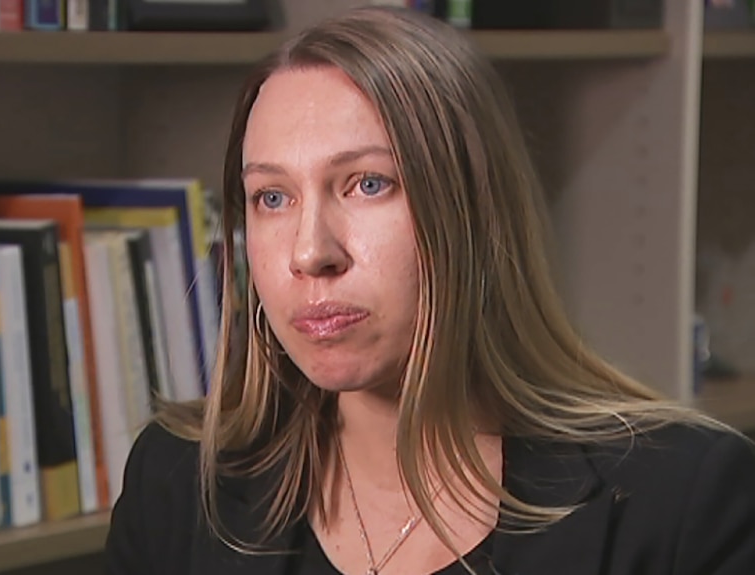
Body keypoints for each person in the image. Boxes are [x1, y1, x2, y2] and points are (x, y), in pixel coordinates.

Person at [104, 6, 755, 575]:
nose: (310, 252)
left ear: (473, 210)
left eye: (367, 183)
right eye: (272, 197)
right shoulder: (178, 483)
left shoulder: (687, 502)